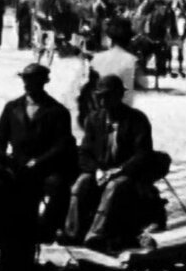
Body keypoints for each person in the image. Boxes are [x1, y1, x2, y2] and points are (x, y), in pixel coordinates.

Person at [63, 75, 158, 251]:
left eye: (107, 96)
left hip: (128, 175)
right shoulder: (94, 119)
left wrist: (119, 170)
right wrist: (97, 170)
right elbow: (85, 152)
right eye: (99, 96)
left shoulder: (136, 120)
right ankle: (72, 232)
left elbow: (143, 154)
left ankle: (96, 234)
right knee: (80, 184)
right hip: (101, 172)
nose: (103, 101)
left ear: (119, 96)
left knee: (114, 187)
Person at [0, 60, 78, 241]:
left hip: (45, 168)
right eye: (26, 80)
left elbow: (62, 145)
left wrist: (38, 162)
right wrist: (3, 159)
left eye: (33, 80)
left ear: (43, 82)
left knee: (59, 186)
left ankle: (47, 229)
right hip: (15, 165)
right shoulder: (12, 107)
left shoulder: (58, 111)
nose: (28, 84)